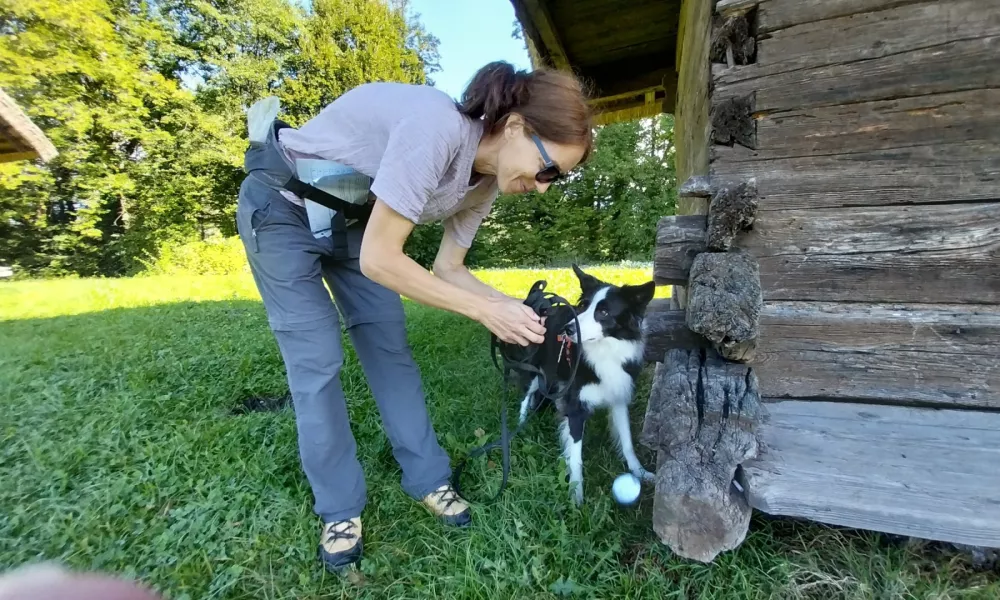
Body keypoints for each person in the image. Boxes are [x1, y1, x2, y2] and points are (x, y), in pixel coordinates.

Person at [235, 60, 594, 572]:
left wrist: (507, 307)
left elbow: (449, 269)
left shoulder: (485, 182)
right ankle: (339, 509)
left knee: (390, 350)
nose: (544, 187)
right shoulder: (437, 129)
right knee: (317, 362)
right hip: (282, 203)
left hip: (355, 219)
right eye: (548, 169)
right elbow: (382, 259)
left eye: (556, 180)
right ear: (516, 127)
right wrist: (482, 312)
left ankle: (428, 478)